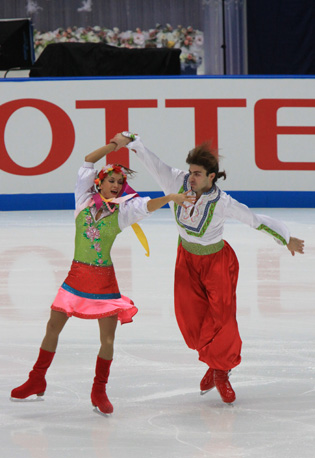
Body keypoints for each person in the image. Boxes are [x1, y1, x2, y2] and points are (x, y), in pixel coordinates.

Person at [10, 132, 195, 415]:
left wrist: (169, 197)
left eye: (121, 183)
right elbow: (87, 161)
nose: (117, 185)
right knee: (52, 327)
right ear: (100, 182)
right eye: (112, 180)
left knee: (107, 339)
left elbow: (146, 206)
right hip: (75, 278)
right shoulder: (83, 199)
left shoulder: (123, 212)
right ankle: (37, 379)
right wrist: (115, 146)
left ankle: (99, 390)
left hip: (104, 282)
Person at [119, 133, 305, 404]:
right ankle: (214, 363)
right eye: (191, 172)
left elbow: (254, 220)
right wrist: (132, 141)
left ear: (212, 177)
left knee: (222, 321)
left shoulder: (223, 202)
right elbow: (154, 164)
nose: (191, 177)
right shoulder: (176, 181)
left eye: (198, 174)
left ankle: (221, 372)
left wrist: (285, 238)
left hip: (218, 264)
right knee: (192, 323)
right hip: (186, 260)